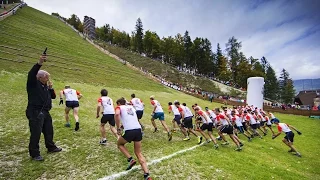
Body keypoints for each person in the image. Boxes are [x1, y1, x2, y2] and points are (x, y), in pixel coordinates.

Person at [26, 54, 61, 161]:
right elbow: (31, 73)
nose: (48, 78)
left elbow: (53, 97)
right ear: (39, 77)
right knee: (36, 133)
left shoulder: (45, 86)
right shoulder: (33, 84)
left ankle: (51, 147)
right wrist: (39, 63)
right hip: (35, 112)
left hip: (45, 112)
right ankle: (35, 153)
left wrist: (50, 88)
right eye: (46, 77)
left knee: (49, 130)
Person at [115, 98, 152, 180]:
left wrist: (118, 128)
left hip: (129, 130)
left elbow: (117, 114)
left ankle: (130, 159)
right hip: (138, 130)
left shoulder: (119, 107)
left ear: (118, 103)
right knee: (138, 153)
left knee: (119, 144)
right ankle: (147, 174)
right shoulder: (131, 107)